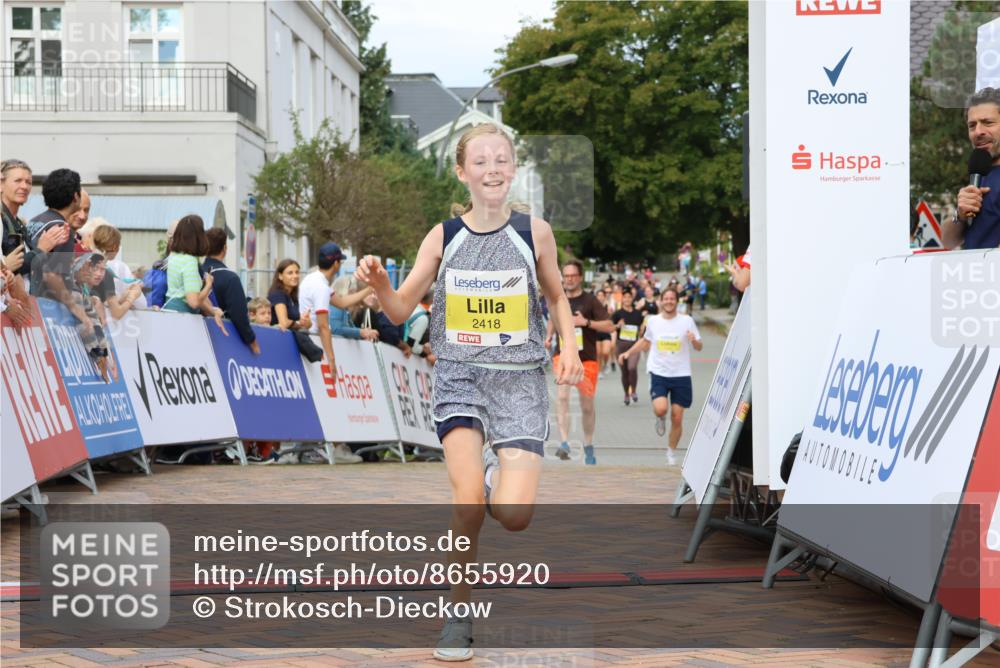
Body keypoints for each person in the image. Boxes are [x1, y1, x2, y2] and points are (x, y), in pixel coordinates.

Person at [354, 122, 583, 661]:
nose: (492, 169)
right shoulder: (443, 236)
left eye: (501, 159)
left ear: (513, 167)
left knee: (516, 515)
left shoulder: (536, 232)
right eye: (480, 161)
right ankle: (457, 616)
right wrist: (384, 287)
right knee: (466, 507)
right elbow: (401, 309)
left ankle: (490, 474)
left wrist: (569, 344)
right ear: (462, 172)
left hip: (520, 380)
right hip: (459, 376)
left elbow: (557, 298)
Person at [618, 288, 703, 466]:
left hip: (681, 374)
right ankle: (660, 417)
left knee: (678, 417)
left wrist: (693, 339)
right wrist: (627, 353)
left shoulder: (687, 321)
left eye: (672, 299)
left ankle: (671, 451)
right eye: (666, 298)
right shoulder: (654, 322)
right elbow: (645, 341)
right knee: (661, 409)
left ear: (677, 301)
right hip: (659, 372)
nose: (669, 301)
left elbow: (699, 346)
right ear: (661, 301)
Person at [545, 259, 615, 466]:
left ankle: (588, 443)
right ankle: (564, 442)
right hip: (563, 355)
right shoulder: (559, 299)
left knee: (586, 406)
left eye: (573, 276)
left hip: (587, 360)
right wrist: (549, 336)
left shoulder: (591, 301)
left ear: (580, 277)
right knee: (563, 397)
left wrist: (586, 322)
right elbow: (552, 317)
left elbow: (610, 326)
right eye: (566, 276)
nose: (569, 279)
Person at [945, 87, 1000, 250]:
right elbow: (947, 242)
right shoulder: (978, 174)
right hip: (972, 272)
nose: (978, 132)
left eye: (988, 122)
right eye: (972, 125)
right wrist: (960, 215)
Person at [3, 159, 69, 282]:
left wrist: (51, 247)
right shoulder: (2, 221)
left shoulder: (19, 223)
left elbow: (25, 269)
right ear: (1, 184)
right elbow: (14, 268)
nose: (24, 186)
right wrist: (41, 249)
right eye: (18, 181)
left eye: (28, 182)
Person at [162, 214, 226, 334]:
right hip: (183, 320)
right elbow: (194, 302)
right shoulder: (190, 261)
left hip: (170, 314)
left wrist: (213, 311)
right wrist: (208, 285)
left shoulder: (174, 256)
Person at [27, 168, 82, 300]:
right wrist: (73, 304)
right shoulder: (63, 229)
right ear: (76, 196)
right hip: (45, 304)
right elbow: (52, 275)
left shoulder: (33, 221)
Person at [203, 228, 259, 354]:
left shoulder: (197, 272)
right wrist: (253, 342)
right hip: (223, 342)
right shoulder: (230, 278)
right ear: (225, 248)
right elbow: (239, 315)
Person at [90, 222, 147, 310]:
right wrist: (126, 296)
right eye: (118, 244)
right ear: (114, 247)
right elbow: (103, 302)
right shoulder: (99, 269)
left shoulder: (94, 263)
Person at [611, 289, 645, 405]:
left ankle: (633, 391)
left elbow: (641, 329)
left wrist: (642, 332)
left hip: (634, 346)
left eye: (629, 297)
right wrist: (617, 325)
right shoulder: (617, 313)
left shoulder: (638, 313)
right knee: (624, 372)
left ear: (632, 299)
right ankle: (626, 393)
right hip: (621, 345)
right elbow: (611, 328)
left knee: (632, 368)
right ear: (622, 299)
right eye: (624, 297)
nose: (627, 299)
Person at [268, 259, 312, 331]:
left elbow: (307, 325)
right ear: (280, 276)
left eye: (297, 272)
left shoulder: (293, 296)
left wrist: (306, 321)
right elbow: (283, 322)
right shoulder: (277, 294)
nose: (295, 276)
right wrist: (298, 324)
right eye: (290, 273)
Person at [329, 276, 378, 341]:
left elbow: (351, 327)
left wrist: (365, 332)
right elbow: (336, 329)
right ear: (344, 290)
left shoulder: (345, 309)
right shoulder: (335, 306)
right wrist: (361, 332)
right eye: (352, 292)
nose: (354, 296)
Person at [595, 288, 614, 378]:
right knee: (598, 353)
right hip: (596, 332)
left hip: (605, 332)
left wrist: (610, 314)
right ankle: (599, 371)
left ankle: (606, 364)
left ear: (604, 297)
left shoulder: (608, 307)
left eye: (602, 295)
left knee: (606, 352)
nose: (600, 297)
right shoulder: (592, 307)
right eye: (598, 295)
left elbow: (611, 320)